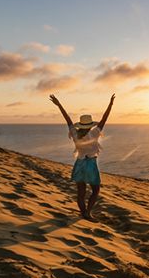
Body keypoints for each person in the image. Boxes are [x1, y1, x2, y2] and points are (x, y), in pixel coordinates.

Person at [49, 93, 115, 221]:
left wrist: (59, 104)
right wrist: (110, 104)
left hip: (79, 163)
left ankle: (84, 212)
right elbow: (104, 119)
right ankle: (87, 213)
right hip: (90, 164)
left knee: (81, 192)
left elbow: (67, 118)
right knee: (95, 190)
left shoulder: (74, 133)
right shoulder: (95, 132)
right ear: (90, 125)